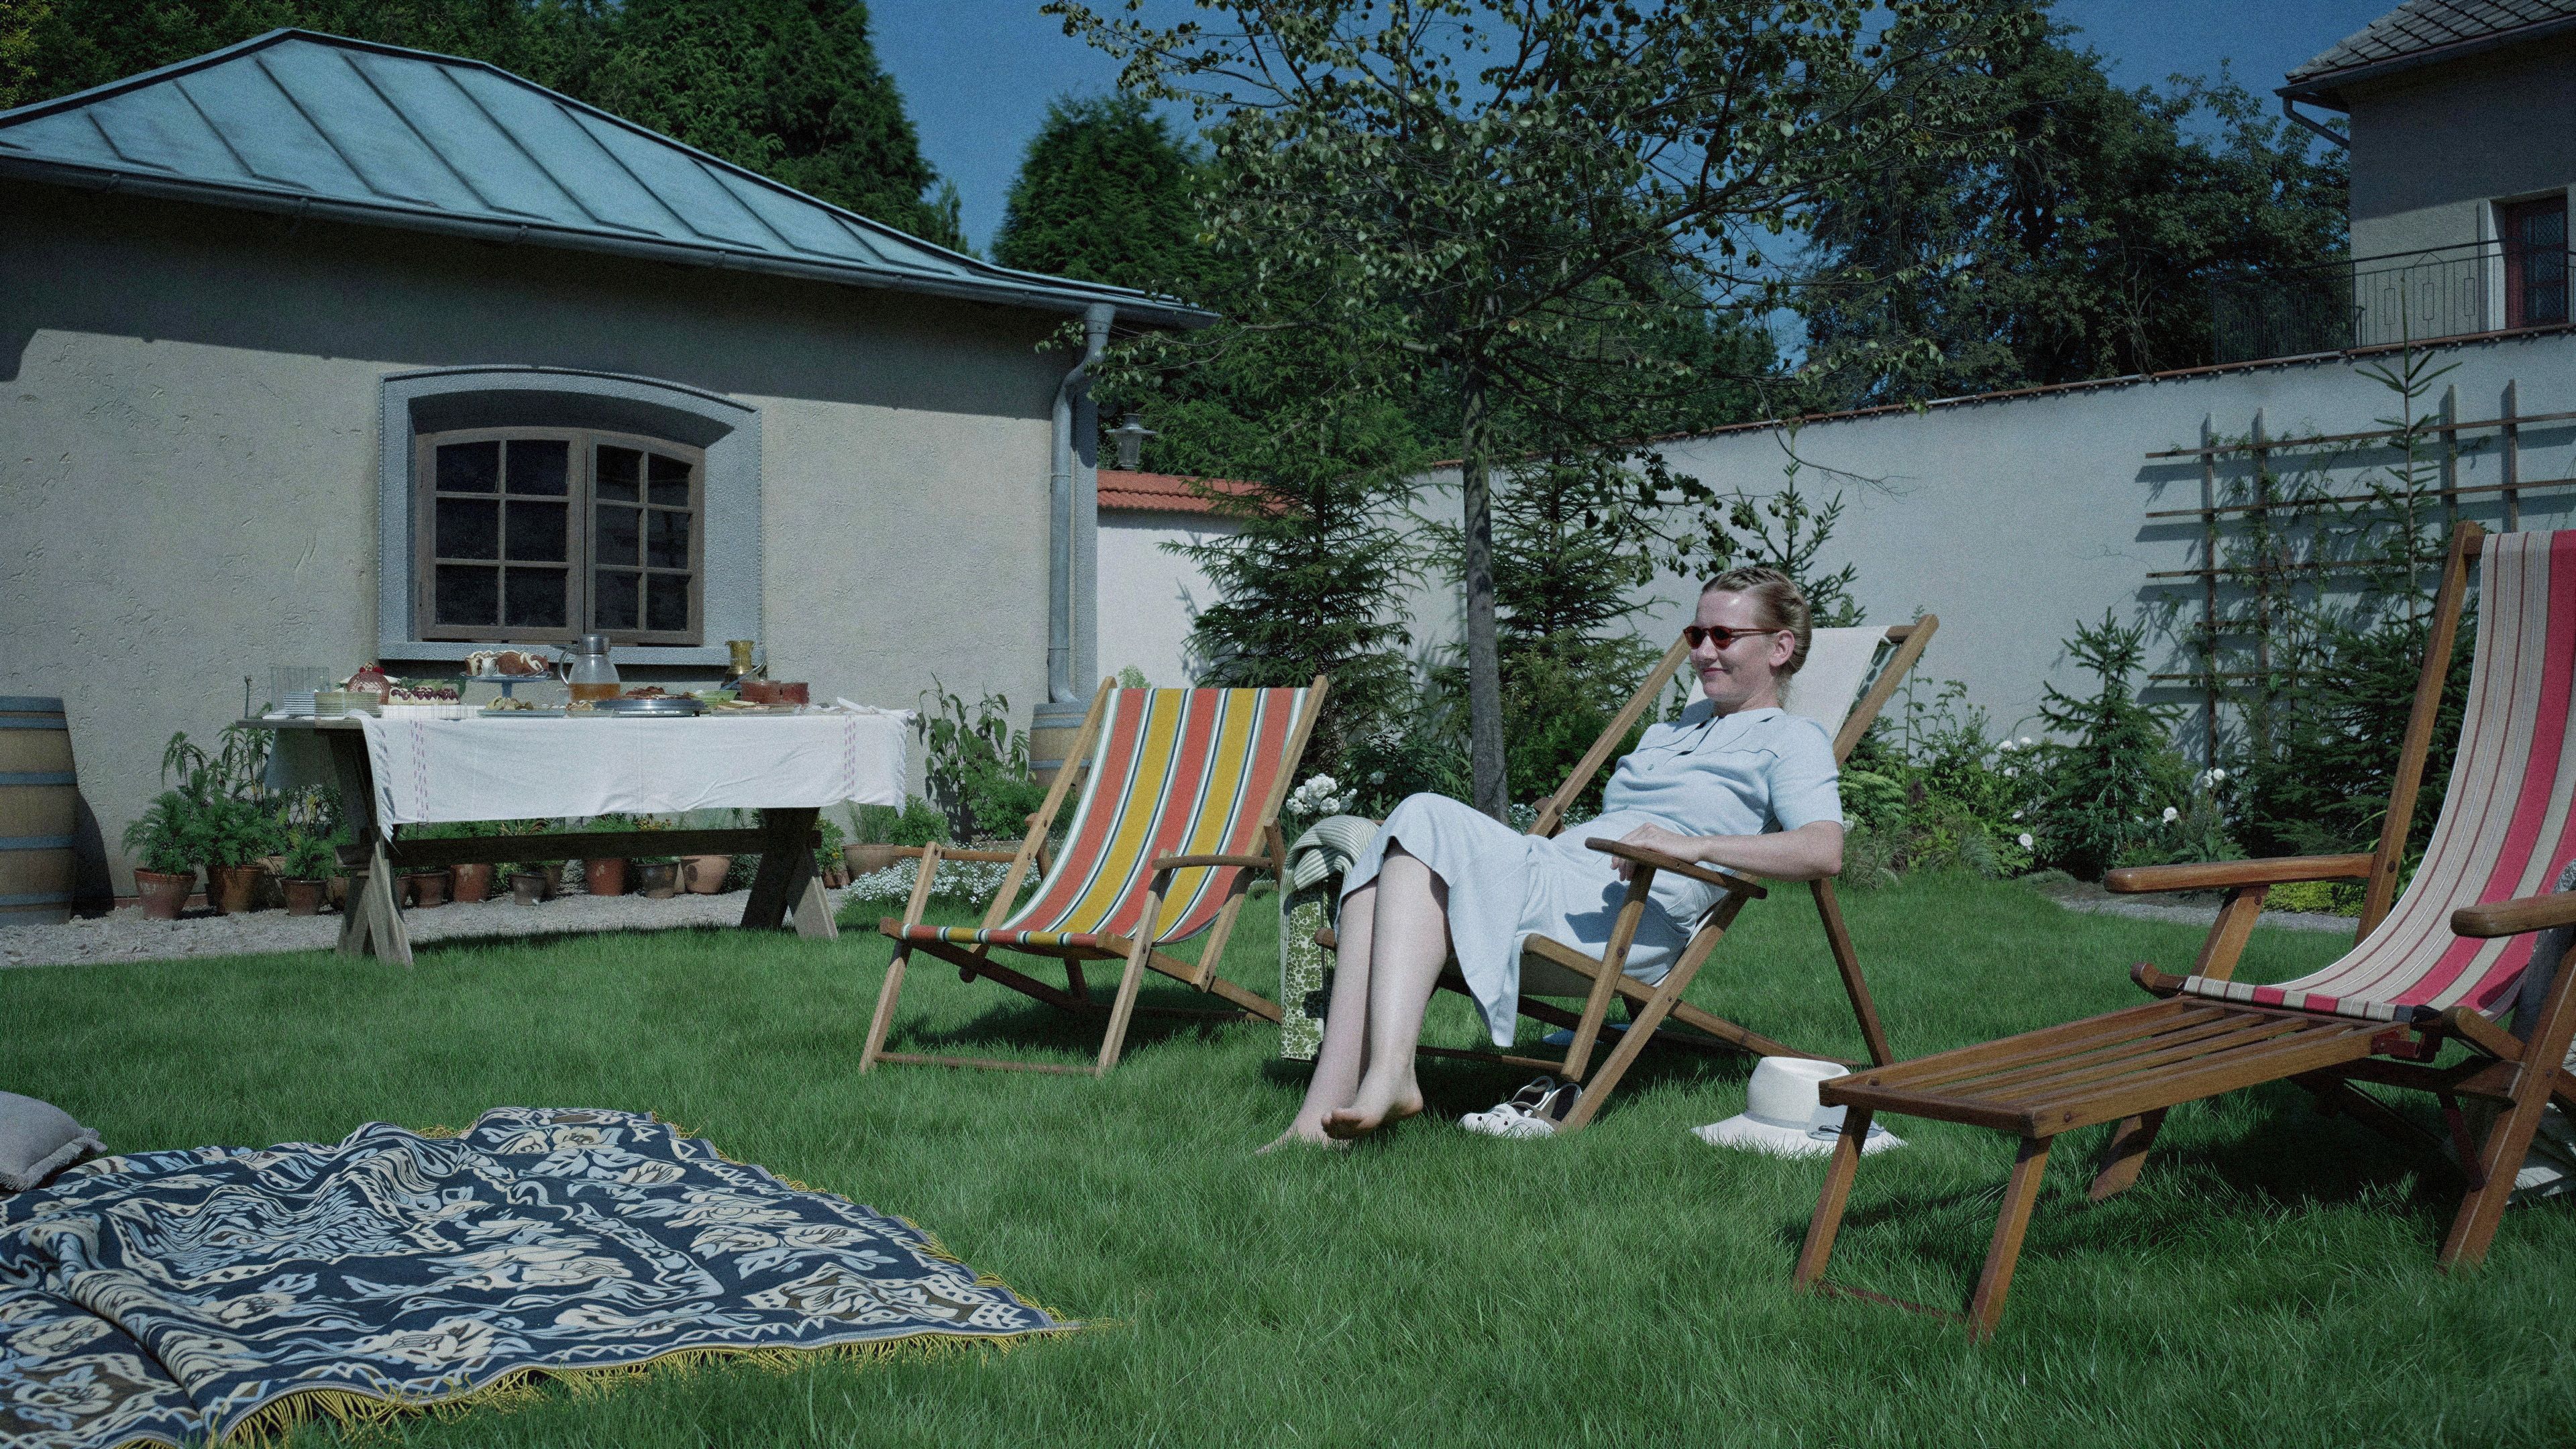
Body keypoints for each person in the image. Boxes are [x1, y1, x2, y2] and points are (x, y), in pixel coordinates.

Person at [1265, 566, 1847, 1150]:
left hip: (1630, 916)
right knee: (1385, 874)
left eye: (1724, 636)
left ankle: (1390, 1075)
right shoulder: (1670, 731)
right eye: (1696, 636)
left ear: (1781, 647)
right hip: (1562, 877)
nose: (1703, 653)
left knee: (1419, 815)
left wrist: (1692, 846)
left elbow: (1824, 848)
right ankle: (1317, 1121)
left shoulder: (1794, 739)